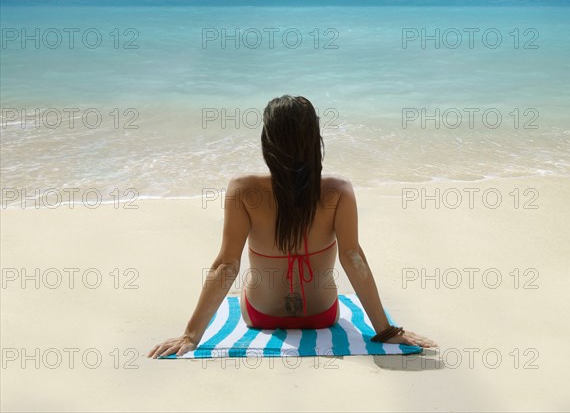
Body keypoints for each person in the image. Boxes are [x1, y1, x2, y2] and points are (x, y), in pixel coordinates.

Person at [148, 95, 436, 359]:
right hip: (322, 315)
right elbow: (353, 258)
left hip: (261, 316)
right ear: (315, 140)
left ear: (267, 140)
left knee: (247, 284)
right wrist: (386, 330)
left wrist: (191, 335)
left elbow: (226, 265)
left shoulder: (243, 189)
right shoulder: (338, 191)